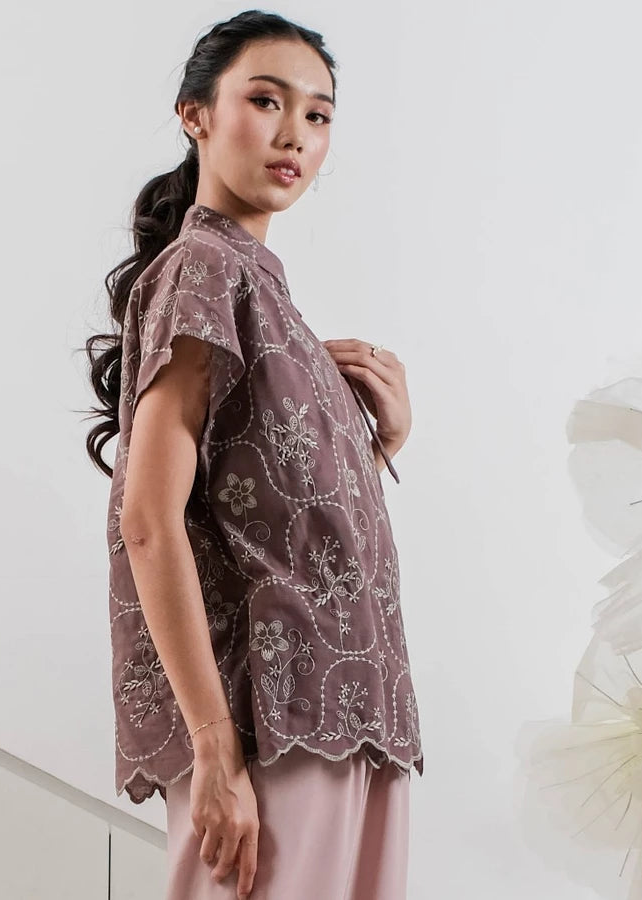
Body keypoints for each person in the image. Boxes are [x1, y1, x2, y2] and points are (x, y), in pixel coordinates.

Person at [83, 10, 424, 899]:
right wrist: (213, 748)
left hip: (351, 713)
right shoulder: (205, 267)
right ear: (195, 113)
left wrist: (380, 442)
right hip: (270, 720)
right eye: (266, 101)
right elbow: (148, 519)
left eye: (318, 115)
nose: (294, 134)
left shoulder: (269, 296)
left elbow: (287, 519)